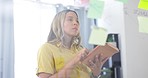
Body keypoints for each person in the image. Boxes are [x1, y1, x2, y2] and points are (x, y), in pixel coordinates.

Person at [36, 9, 106, 78]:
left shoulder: (80, 49)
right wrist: (75, 60)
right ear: (58, 24)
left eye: (77, 21)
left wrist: (96, 73)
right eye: (70, 19)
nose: (75, 23)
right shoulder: (46, 48)